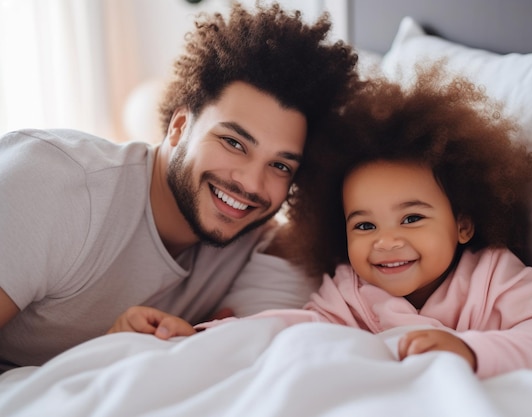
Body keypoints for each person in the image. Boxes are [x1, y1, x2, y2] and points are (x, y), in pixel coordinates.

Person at [111, 65, 532, 379]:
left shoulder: (493, 276)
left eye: (413, 217)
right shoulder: (351, 289)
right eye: (364, 226)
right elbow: (295, 325)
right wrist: (194, 334)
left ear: (463, 223)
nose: (387, 242)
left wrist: (471, 353)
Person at [0, 2, 361, 373]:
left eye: (280, 165)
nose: (251, 184)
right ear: (178, 127)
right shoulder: (54, 182)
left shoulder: (261, 247)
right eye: (234, 143)